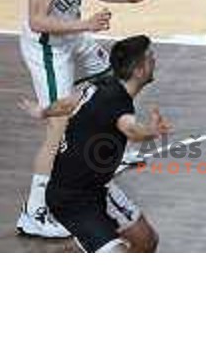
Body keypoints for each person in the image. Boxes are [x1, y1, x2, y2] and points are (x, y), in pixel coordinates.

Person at [18, 0, 160, 237]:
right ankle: (34, 212)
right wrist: (86, 25)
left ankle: (115, 146)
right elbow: (38, 21)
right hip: (48, 48)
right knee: (58, 125)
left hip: (71, 35)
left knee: (115, 80)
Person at [19, 36, 170, 252]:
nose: (154, 60)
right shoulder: (116, 102)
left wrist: (43, 111)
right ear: (139, 71)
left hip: (100, 189)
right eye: (150, 57)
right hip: (71, 200)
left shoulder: (102, 85)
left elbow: (67, 103)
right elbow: (131, 130)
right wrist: (151, 132)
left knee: (147, 240)